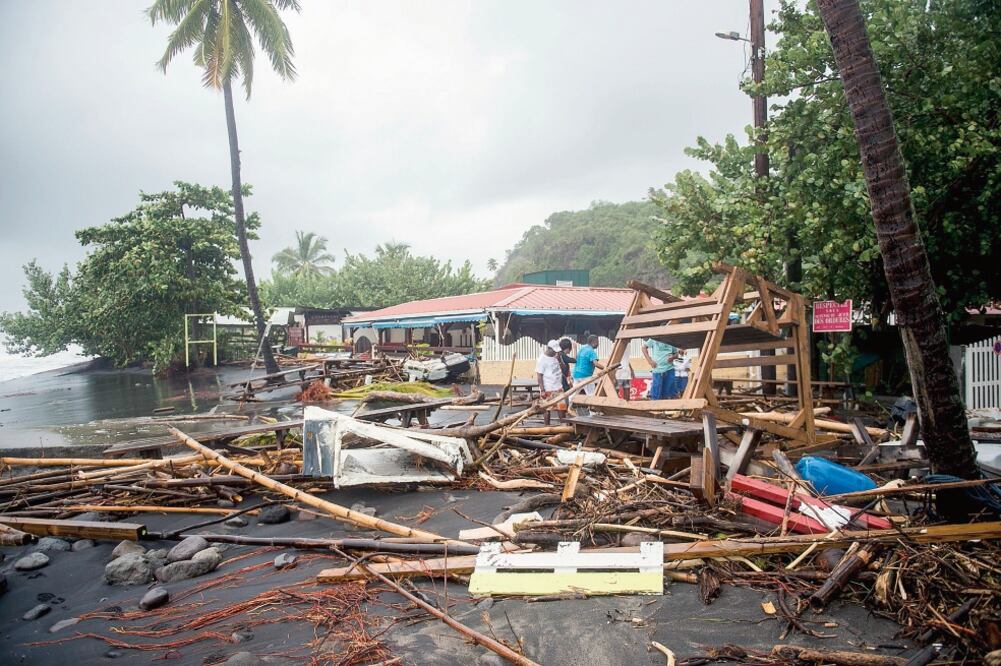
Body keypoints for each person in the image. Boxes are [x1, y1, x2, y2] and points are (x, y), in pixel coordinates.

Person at [535, 339, 566, 425]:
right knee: (547, 409)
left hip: (558, 387)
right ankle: (547, 426)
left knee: (561, 408)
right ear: (549, 349)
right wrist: (542, 390)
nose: (555, 352)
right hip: (548, 387)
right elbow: (539, 375)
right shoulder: (542, 359)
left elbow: (564, 370)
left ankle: (563, 425)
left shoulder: (556, 357)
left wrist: (560, 360)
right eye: (554, 350)